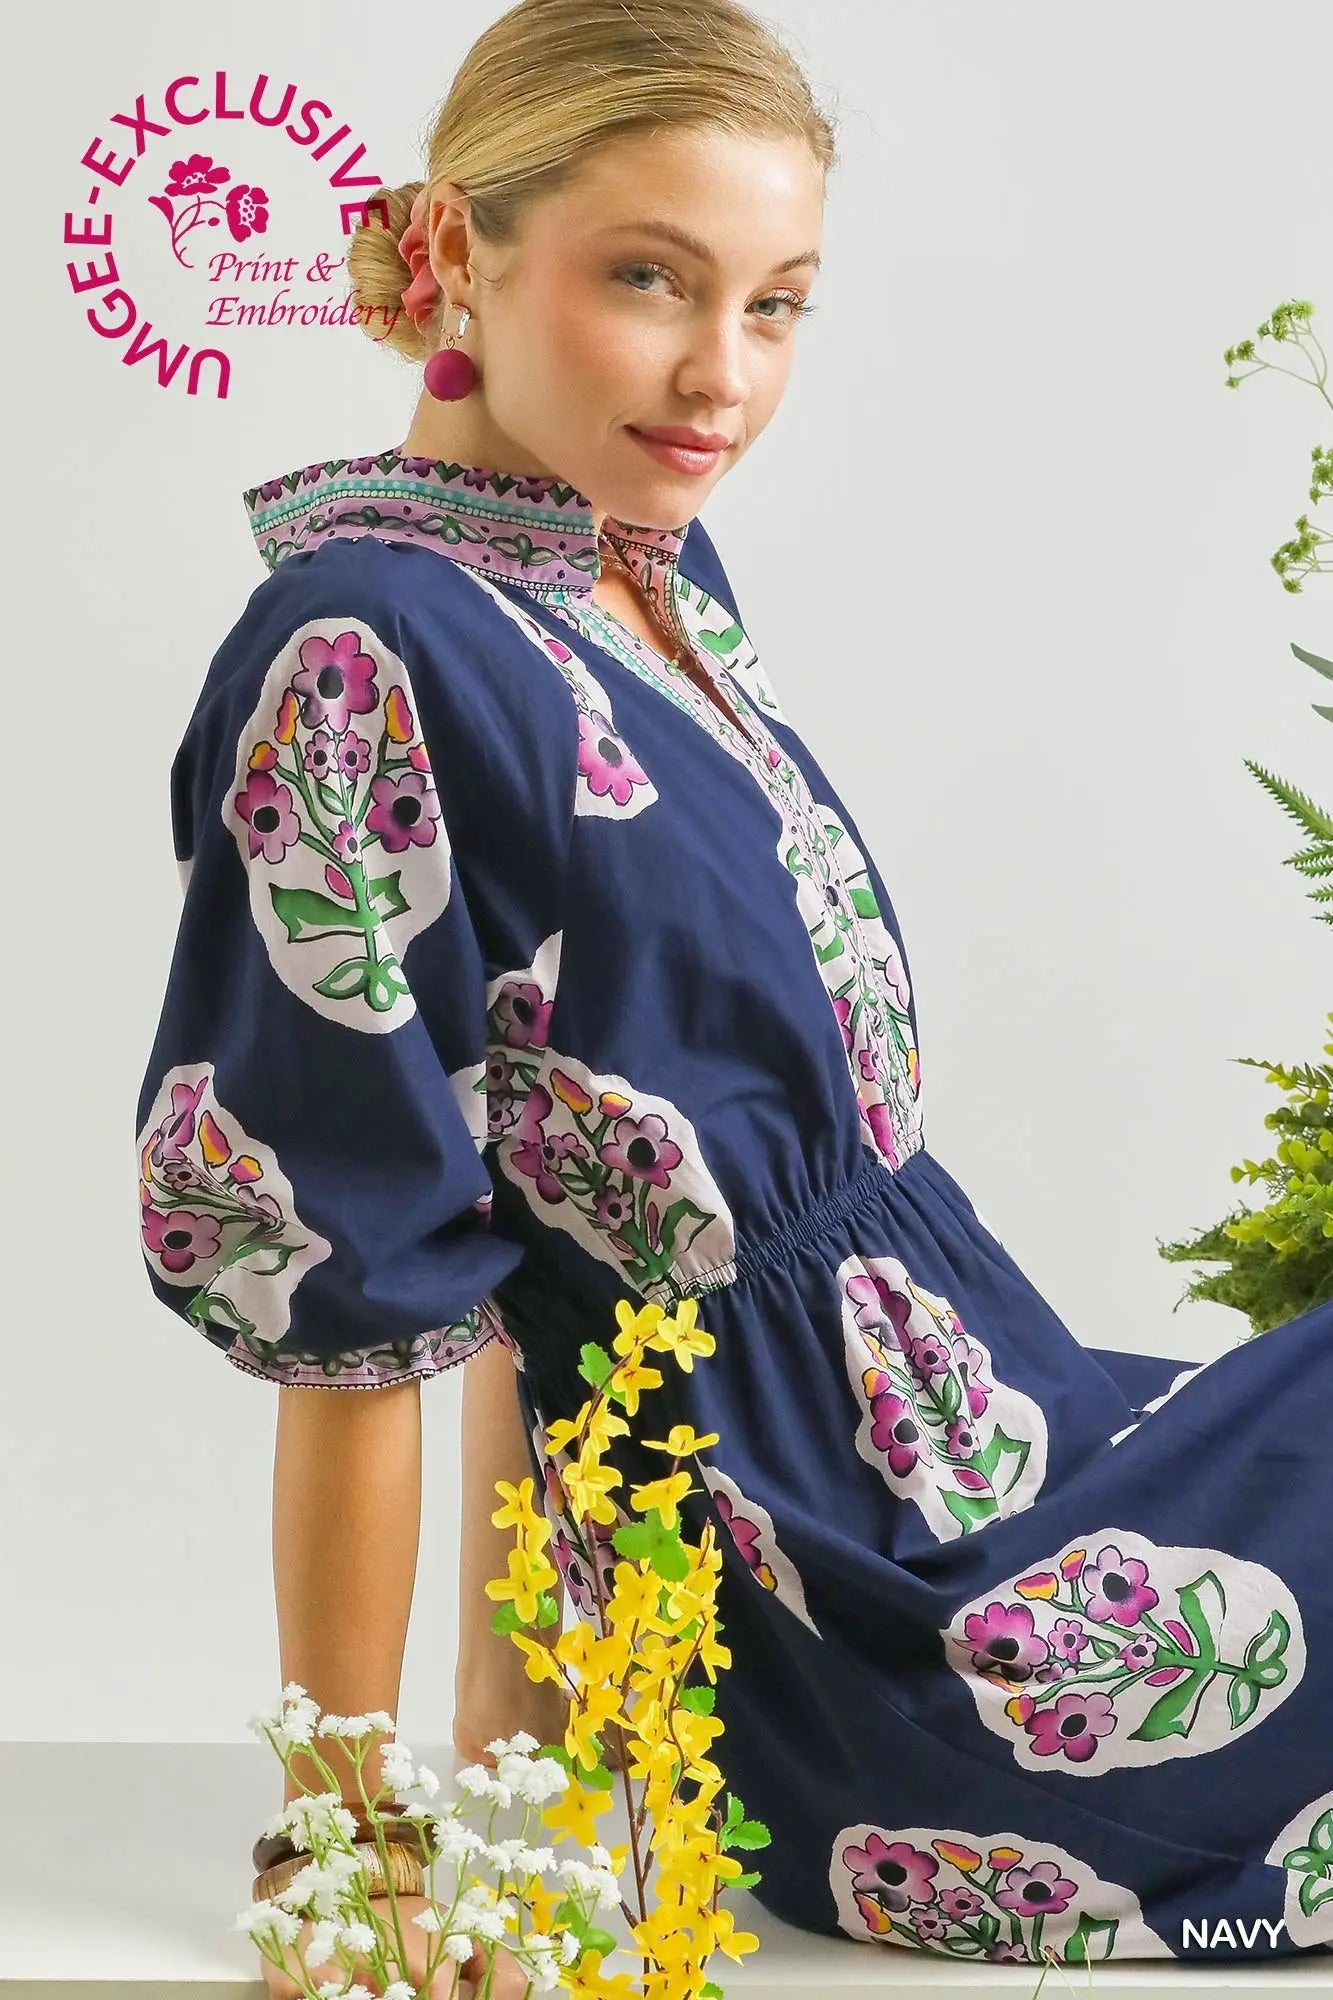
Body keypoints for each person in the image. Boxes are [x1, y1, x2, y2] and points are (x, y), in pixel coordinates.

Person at [134, 0, 1333, 1987]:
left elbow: (538, 1259)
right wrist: (355, 1849)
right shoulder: (358, 651)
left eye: (776, 305)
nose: (724, 376)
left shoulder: (643, 573)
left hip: (1021, 1461)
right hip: (901, 1632)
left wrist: (533, 1769)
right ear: (454, 253)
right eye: (649, 280)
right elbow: (349, 1274)